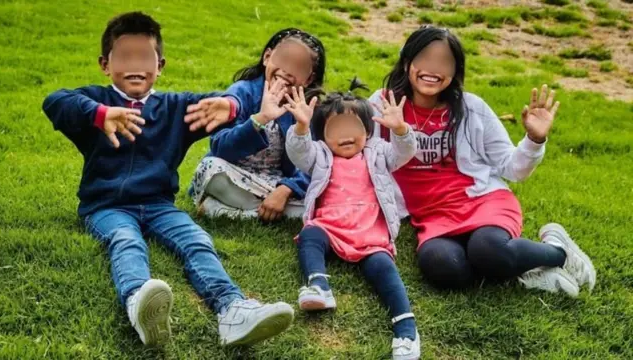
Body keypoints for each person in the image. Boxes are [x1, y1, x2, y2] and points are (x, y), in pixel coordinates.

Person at [42, 12, 294, 347]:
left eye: (144, 57)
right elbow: (55, 102)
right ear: (105, 64)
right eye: (125, 56)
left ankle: (233, 310)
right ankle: (138, 303)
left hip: (160, 206)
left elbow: (221, 104)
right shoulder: (96, 101)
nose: (135, 64)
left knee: (197, 241)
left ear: (160, 65)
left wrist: (241, 110)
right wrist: (100, 115)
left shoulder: (176, 108)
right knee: (126, 241)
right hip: (106, 206)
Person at [370, 25, 596, 296]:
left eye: (444, 62)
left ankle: (559, 252)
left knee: (489, 250)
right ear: (407, 61)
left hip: (481, 201)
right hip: (432, 215)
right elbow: (360, 153)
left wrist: (534, 140)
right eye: (424, 58)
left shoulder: (471, 108)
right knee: (443, 268)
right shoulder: (384, 105)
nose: (432, 68)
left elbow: (512, 168)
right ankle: (525, 270)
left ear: (455, 72)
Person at [284, 84, 421, 360]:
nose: (345, 135)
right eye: (335, 129)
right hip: (330, 227)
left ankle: (406, 329)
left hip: (370, 232)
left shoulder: (379, 153)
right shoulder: (320, 156)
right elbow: (298, 153)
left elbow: (403, 153)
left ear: (368, 131)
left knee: (384, 269)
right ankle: (319, 286)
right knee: (310, 235)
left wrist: (400, 130)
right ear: (322, 135)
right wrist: (300, 127)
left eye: (352, 127)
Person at [187, 28, 326, 222]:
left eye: (298, 66)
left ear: (308, 79)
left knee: (323, 196)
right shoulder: (242, 92)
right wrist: (261, 118)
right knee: (210, 167)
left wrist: (286, 190)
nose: (287, 70)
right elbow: (221, 147)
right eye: (283, 59)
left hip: (275, 183)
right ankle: (267, 213)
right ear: (267, 57)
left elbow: (316, 161)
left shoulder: (306, 107)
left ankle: (226, 210)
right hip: (233, 174)